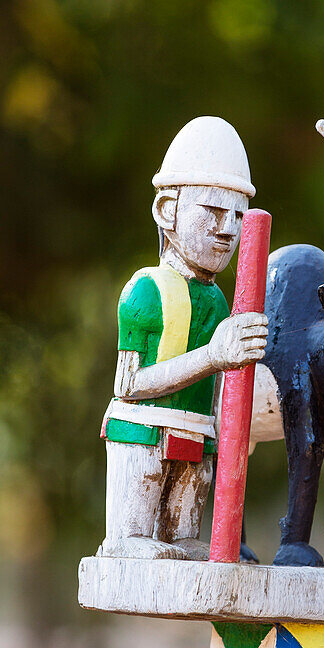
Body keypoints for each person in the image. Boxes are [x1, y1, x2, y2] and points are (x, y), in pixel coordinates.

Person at [100, 116, 268, 560]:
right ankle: (130, 538)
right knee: (136, 537)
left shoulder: (216, 300)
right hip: (143, 434)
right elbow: (129, 386)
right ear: (166, 211)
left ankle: (174, 536)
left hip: (198, 436)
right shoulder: (145, 291)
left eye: (237, 216)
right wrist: (214, 356)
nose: (228, 230)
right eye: (212, 212)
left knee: (185, 542)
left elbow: (219, 386)